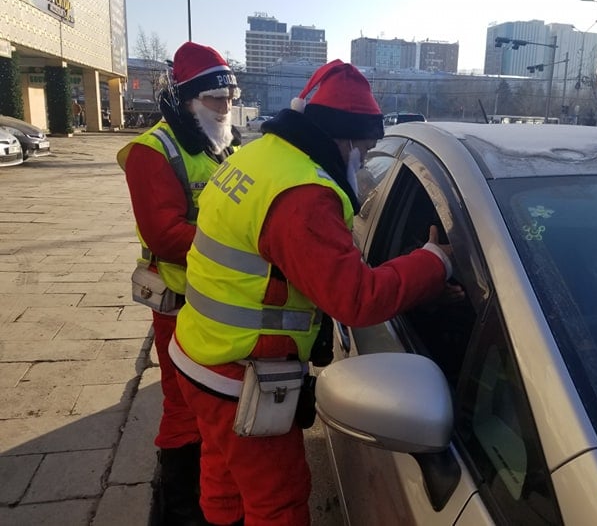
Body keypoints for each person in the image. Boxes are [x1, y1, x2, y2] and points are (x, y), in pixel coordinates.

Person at [170, 59, 461, 525]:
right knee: (277, 502)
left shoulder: (258, 157)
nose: (365, 159)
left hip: (199, 354)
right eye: (364, 148)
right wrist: (435, 261)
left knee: (224, 479)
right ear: (342, 139)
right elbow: (356, 299)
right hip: (238, 376)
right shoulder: (305, 194)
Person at [116, 41, 242, 526]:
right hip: (179, 303)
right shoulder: (153, 152)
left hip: (222, 300)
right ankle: (180, 508)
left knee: (215, 403)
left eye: (229, 98)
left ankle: (211, 493)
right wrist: (246, 246)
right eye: (214, 99)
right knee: (183, 405)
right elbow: (165, 236)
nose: (224, 107)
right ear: (187, 99)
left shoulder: (225, 143)